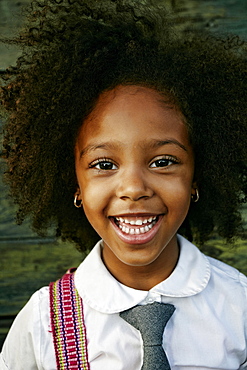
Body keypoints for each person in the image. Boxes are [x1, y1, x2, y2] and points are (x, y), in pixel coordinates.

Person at [0, 0, 247, 369]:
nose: (133, 187)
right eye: (104, 164)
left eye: (163, 161)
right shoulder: (42, 326)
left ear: (198, 176)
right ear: (75, 185)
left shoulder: (240, 309)